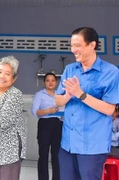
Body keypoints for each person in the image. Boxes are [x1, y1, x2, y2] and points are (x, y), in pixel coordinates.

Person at [55, 27, 119, 180]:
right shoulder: (70, 69)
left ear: (92, 45)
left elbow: (110, 109)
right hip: (68, 144)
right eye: (71, 46)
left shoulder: (111, 72)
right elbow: (58, 100)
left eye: (77, 45)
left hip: (92, 146)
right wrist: (68, 96)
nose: (73, 50)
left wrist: (80, 94)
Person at [31, 72, 62, 180]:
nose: (50, 82)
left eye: (53, 80)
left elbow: (63, 110)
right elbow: (35, 112)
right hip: (44, 125)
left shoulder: (60, 95)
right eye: (48, 80)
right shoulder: (39, 95)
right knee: (43, 154)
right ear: (44, 82)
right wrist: (49, 111)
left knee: (57, 155)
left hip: (58, 125)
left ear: (56, 82)